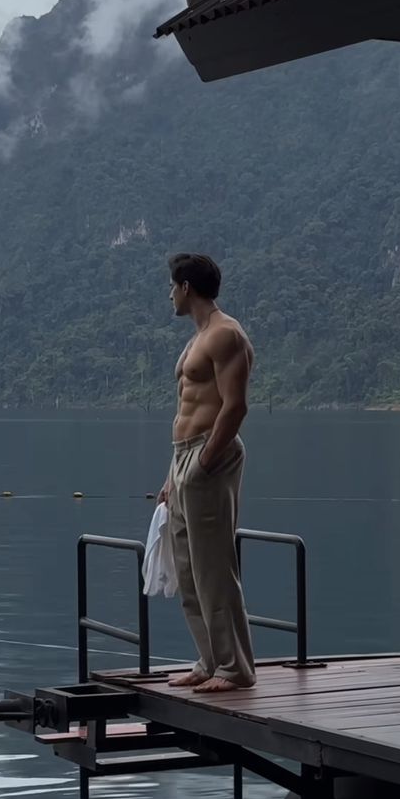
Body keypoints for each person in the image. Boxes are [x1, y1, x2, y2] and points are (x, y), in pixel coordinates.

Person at [157, 253, 256, 693]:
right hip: (184, 458)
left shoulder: (225, 335)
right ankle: (209, 658)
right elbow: (186, 408)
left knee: (213, 565)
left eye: (171, 286)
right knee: (188, 565)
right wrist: (171, 476)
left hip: (207, 458)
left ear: (185, 287)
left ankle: (234, 668)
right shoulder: (197, 337)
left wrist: (202, 464)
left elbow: (235, 406)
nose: (169, 295)